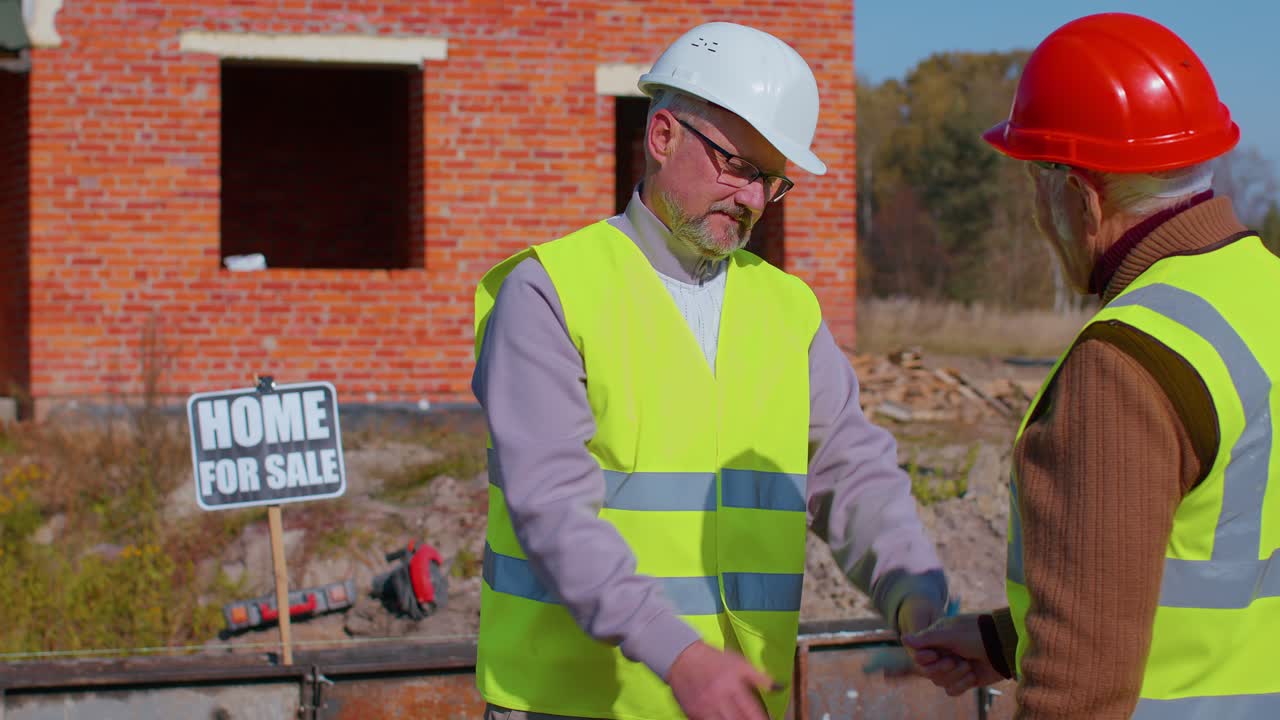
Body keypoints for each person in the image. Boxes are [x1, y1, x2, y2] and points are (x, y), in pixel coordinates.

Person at [470, 20, 949, 720]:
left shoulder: (786, 309)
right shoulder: (550, 291)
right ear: (662, 136)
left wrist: (914, 592)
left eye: (772, 181)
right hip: (570, 704)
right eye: (740, 168)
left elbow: (850, 468)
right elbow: (550, 506)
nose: (753, 200)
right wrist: (677, 653)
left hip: (733, 703)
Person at [903, 12, 1280, 719]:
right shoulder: (1265, 299)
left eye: (1035, 184)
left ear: (1078, 196)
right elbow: (1225, 573)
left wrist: (1052, 659)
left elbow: (1081, 693)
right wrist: (1010, 640)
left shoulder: (1126, 364)